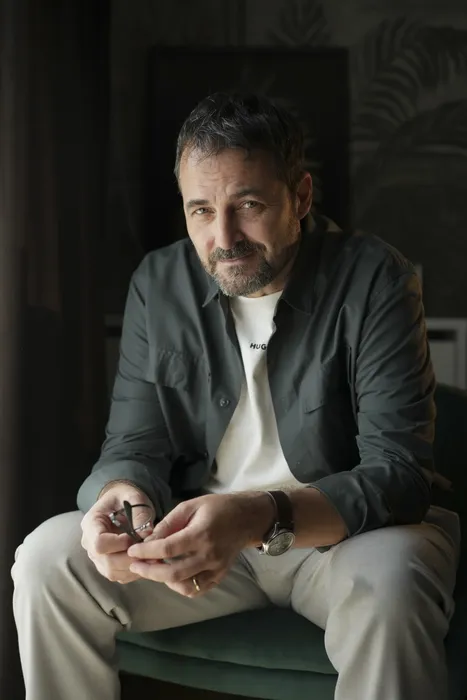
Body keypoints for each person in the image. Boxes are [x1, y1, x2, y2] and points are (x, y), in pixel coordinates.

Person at [12, 92, 460, 700]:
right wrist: (119, 500)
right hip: (204, 537)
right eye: (201, 210)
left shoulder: (376, 277)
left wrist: (255, 515)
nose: (223, 237)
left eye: (248, 205)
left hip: (348, 541)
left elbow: (400, 476)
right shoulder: (159, 283)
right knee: (47, 558)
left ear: (300, 197)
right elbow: (133, 444)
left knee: (393, 581)